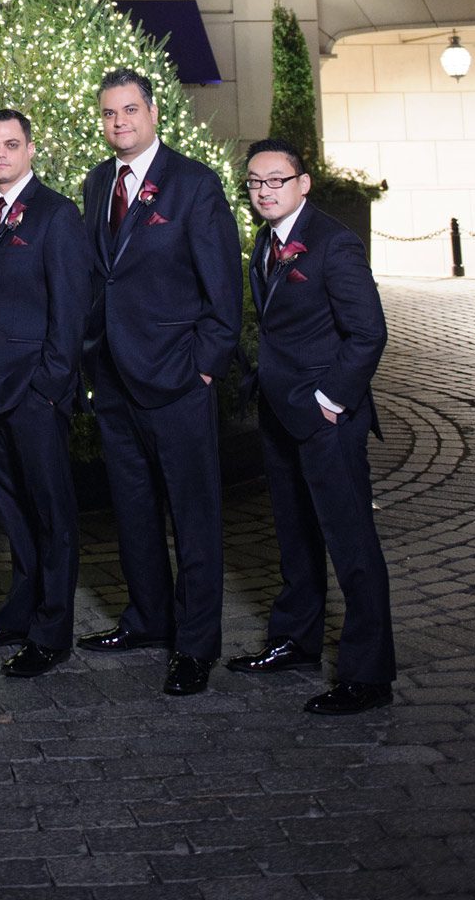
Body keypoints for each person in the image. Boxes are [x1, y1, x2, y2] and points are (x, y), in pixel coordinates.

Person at [77, 69, 242, 696]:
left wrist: (204, 365)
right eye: (109, 114)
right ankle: (148, 618)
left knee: (193, 515)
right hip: (115, 378)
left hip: (177, 377)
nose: (119, 122)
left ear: (152, 113)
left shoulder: (194, 184)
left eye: (129, 111)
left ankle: (196, 645)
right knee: (134, 509)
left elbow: (224, 291)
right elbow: (103, 277)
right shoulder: (99, 182)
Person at [227, 137, 395, 715]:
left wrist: (330, 400)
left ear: (303, 184)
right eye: (255, 182)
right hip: (281, 414)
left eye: (276, 180)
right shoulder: (267, 241)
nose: (265, 190)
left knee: (351, 546)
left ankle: (367, 677)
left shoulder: (333, 243)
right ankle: (295, 642)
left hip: (327, 420)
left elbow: (369, 332)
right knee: (295, 537)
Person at [0, 109, 92, 676]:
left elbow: (71, 311)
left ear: (31, 150)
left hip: (33, 392)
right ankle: (19, 610)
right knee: (11, 512)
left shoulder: (56, 214)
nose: (0, 155)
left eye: (10, 145)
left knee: (50, 514)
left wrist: (49, 387)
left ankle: (51, 632)